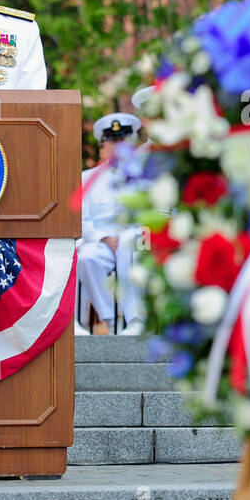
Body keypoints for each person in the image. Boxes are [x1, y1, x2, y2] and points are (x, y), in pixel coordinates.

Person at [76, 113, 145, 336]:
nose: (117, 146)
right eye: (112, 141)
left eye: (122, 140)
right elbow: (82, 219)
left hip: (135, 240)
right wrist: (103, 238)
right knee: (86, 257)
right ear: (103, 145)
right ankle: (110, 320)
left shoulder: (143, 175)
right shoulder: (88, 178)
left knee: (129, 243)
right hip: (102, 240)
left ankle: (135, 319)